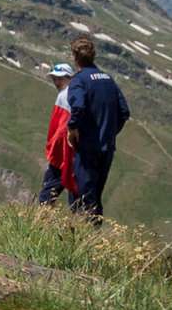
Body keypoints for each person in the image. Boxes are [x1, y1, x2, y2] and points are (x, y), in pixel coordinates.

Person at [66, 37, 130, 220]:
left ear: (75, 57)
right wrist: (109, 132)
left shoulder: (79, 81)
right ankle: (93, 236)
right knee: (96, 195)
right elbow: (124, 112)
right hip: (107, 147)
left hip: (87, 148)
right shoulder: (108, 80)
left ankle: (82, 238)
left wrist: (73, 129)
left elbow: (78, 106)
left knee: (83, 195)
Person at [38, 63, 78, 206]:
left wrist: (54, 147)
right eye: (54, 78)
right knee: (73, 190)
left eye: (59, 78)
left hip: (63, 153)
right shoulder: (69, 93)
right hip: (67, 152)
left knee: (48, 192)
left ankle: (43, 220)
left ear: (69, 78)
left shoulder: (66, 95)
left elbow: (62, 128)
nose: (56, 82)